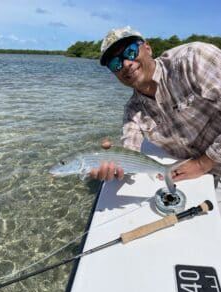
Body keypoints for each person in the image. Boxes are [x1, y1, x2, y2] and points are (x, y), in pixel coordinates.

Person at [90, 26, 221, 184]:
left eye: (130, 52)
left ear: (148, 48)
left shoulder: (194, 59)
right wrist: (114, 162)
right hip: (199, 178)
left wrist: (202, 164)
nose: (125, 64)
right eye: (115, 64)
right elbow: (129, 148)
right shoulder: (132, 112)